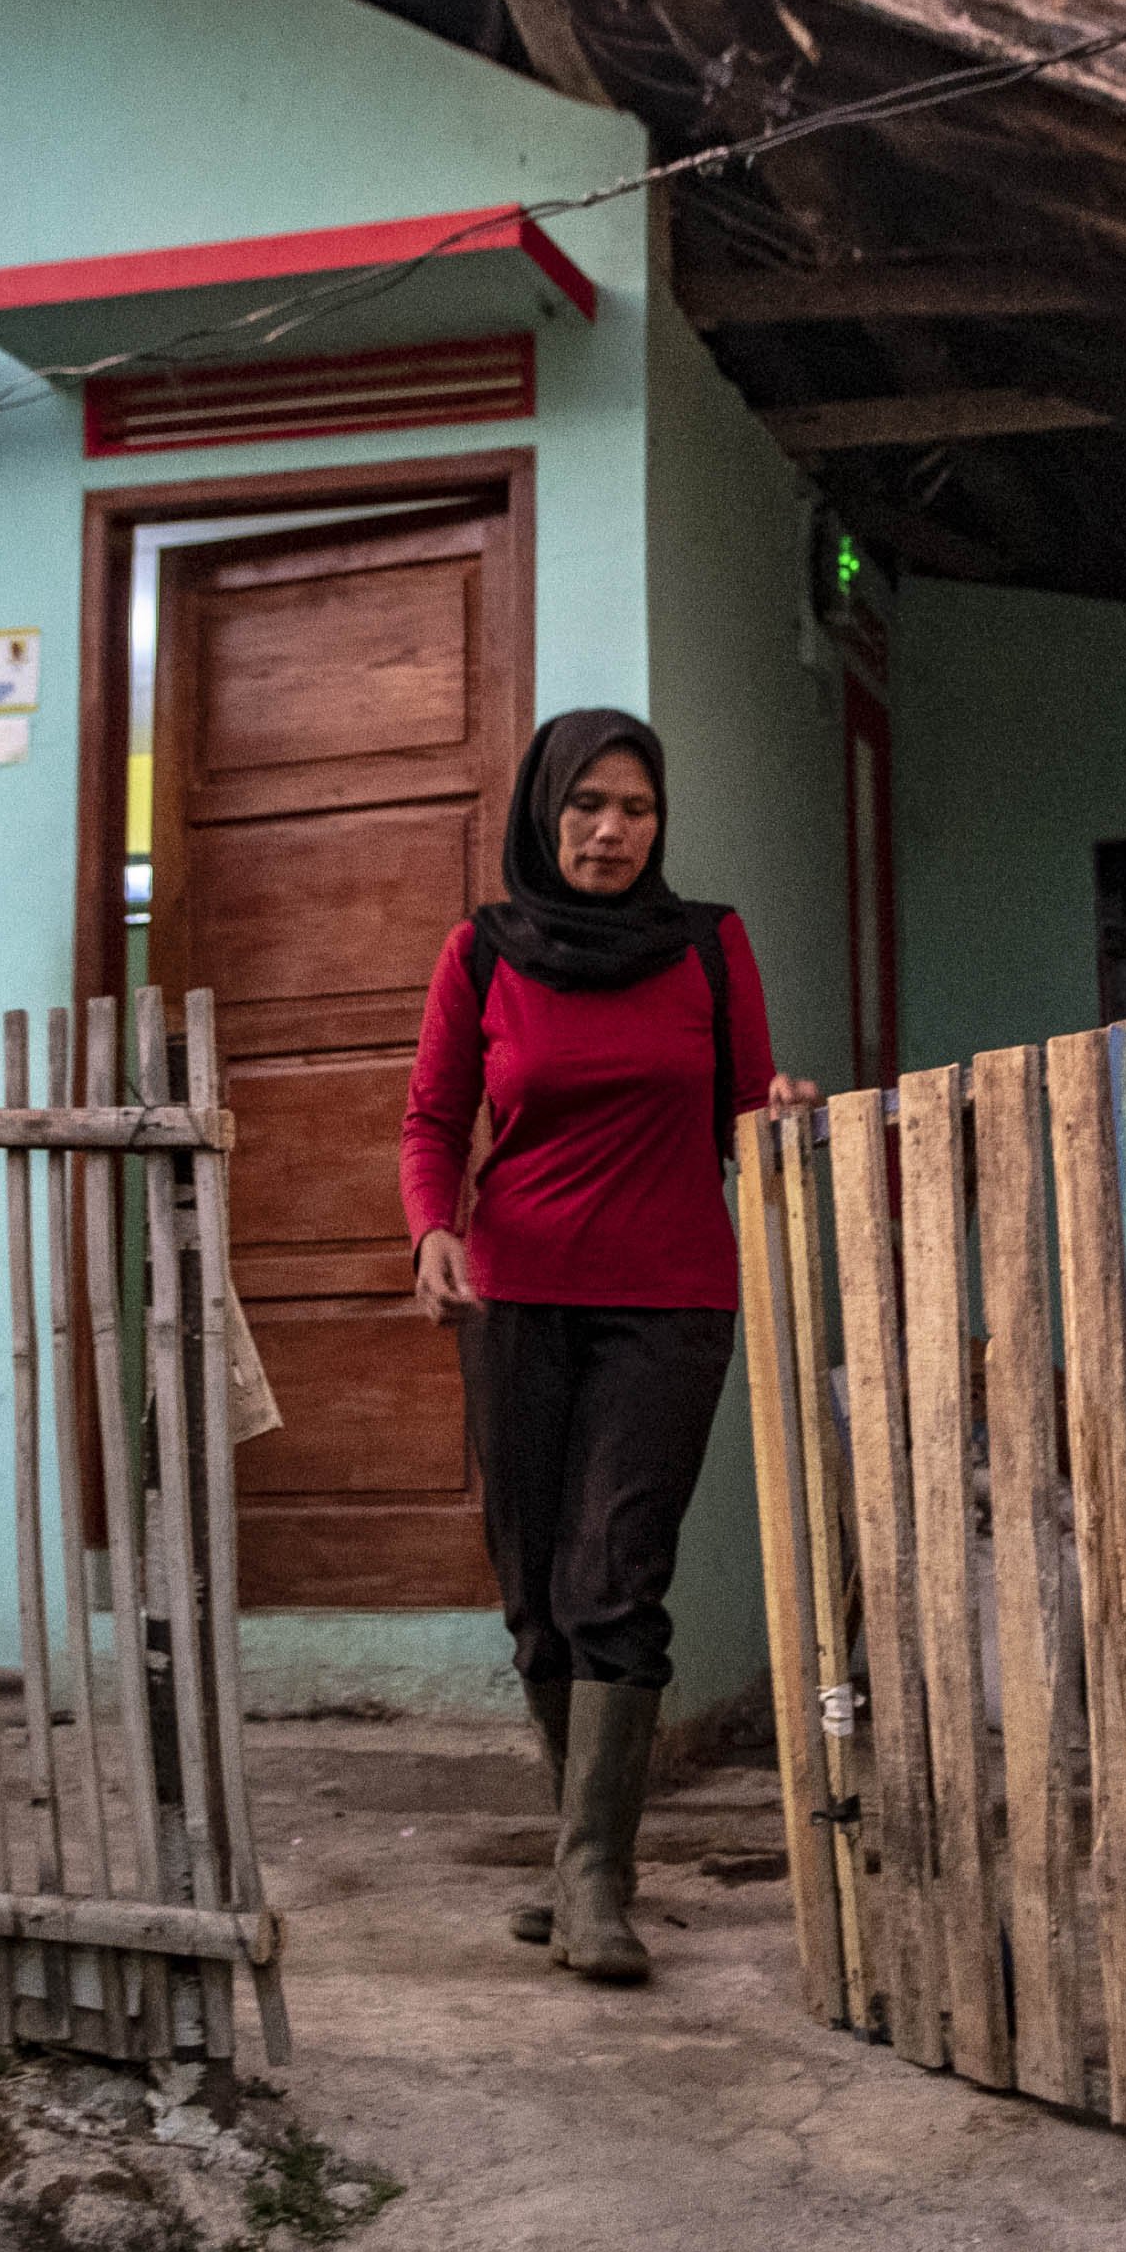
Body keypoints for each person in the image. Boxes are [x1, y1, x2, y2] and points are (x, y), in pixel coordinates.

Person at [398, 709, 815, 1983]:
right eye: (587, 804)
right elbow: (432, 1117)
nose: (611, 829)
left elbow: (748, 1102)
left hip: (672, 1299)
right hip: (516, 1298)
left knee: (613, 1578)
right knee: (534, 1595)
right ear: (545, 811)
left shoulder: (705, 946)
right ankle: (576, 1848)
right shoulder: (481, 953)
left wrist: (781, 1107)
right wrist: (429, 1232)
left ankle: (594, 1881)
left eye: (635, 807)